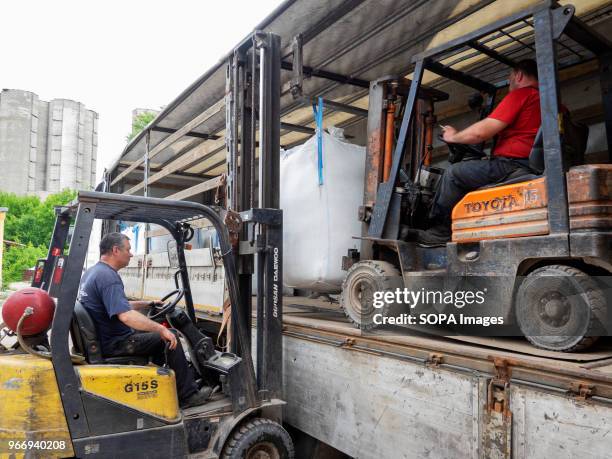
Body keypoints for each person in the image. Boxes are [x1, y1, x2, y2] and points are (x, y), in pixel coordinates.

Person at [78, 232, 212, 408]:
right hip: (116, 343)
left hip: (106, 337)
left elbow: (118, 305)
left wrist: (147, 303)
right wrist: (161, 329)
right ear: (116, 250)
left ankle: (171, 383)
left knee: (153, 334)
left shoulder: (94, 272)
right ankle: (187, 395)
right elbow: (125, 316)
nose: (131, 254)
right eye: (128, 249)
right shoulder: (108, 278)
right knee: (169, 337)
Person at [417, 59, 541, 246]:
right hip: (528, 164)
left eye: (509, 78)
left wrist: (454, 136)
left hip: (513, 165)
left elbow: (479, 133)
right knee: (474, 167)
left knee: (453, 173)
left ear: (519, 75)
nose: (509, 83)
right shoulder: (551, 102)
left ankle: (440, 233)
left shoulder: (522, 95)